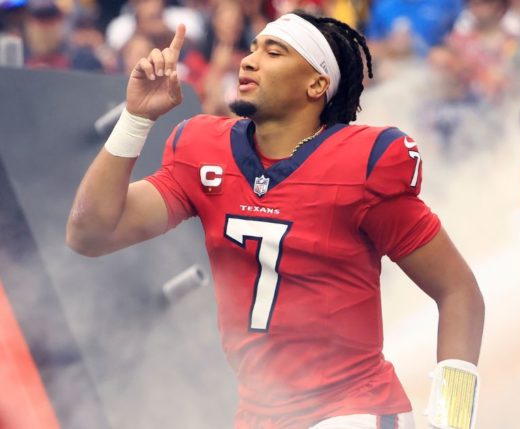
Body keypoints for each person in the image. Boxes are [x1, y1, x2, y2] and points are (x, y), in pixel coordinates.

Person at [66, 10, 484, 429]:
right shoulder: (204, 150)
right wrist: (136, 118)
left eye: (274, 52)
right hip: (260, 414)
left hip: (350, 408)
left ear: (316, 84)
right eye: (252, 49)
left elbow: (458, 292)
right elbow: (90, 233)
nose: (250, 61)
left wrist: (452, 420)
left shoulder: (364, 162)